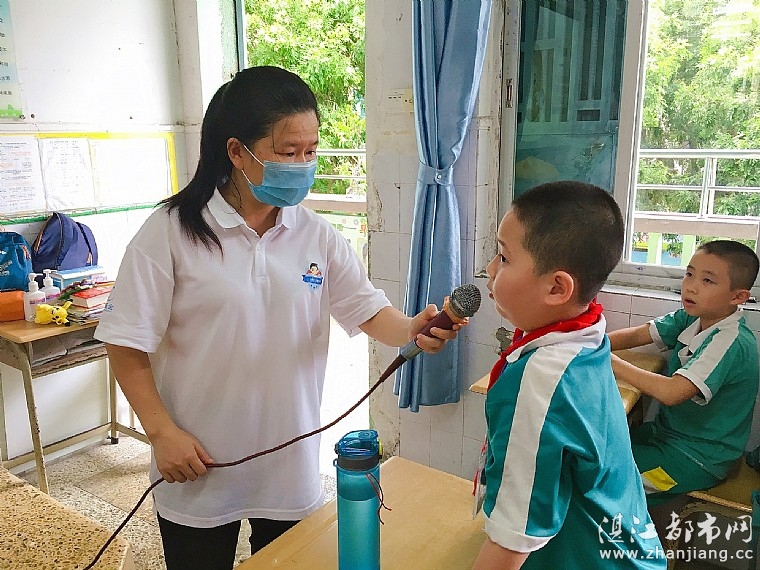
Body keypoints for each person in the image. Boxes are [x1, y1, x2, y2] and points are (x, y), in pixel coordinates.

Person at [94, 66, 461, 570]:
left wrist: (412, 329)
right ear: (236, 152)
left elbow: (370, 311)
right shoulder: (171, 231)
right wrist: (160, 433)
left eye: (311, 151)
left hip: (289, 466)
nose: (303, 165)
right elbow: (125, 342)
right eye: (288, 152)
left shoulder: (316, 235)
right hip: (195, 462)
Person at [473, 181, 665, 569]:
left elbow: (513, 540)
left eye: (504, 257)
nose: (490, 268)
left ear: (557, 287)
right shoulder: (587, 332)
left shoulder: (539, 381)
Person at [609, 240, 759, 506]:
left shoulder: (730, 341)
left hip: (696, 459)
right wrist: (589, 341)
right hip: (664, 435)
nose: (691, 286)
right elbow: (639, 334)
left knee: (604, 478)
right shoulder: (694, 317)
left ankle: (619, 528)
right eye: (689, 274)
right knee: (596, 447)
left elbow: (672, 392)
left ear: (738, 297)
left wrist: (605, 358)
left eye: (707, 280)